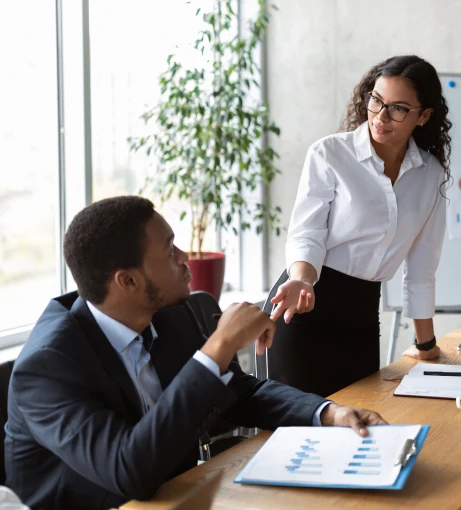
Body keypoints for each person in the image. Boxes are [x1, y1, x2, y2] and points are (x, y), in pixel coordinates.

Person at [5, 196, 386, 510]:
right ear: (128, 280)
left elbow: (239, 392)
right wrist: (218, 345)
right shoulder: (48, 368)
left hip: (180, 498)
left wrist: (326, 412)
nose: (186, 256)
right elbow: (129, 470)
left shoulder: (168, 313)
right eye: (170, 250)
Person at [268, 55, 451, 397]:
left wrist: (426, 345)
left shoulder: (431, 175)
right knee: (300, 431)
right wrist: (302, 279)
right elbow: (307, 233)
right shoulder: (330, 154)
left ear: (423, 116)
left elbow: (423, 266)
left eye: (398, 108)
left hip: (362, 318)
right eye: (376, 101)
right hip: (305, 306)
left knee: (359, 428)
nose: (380, 116)